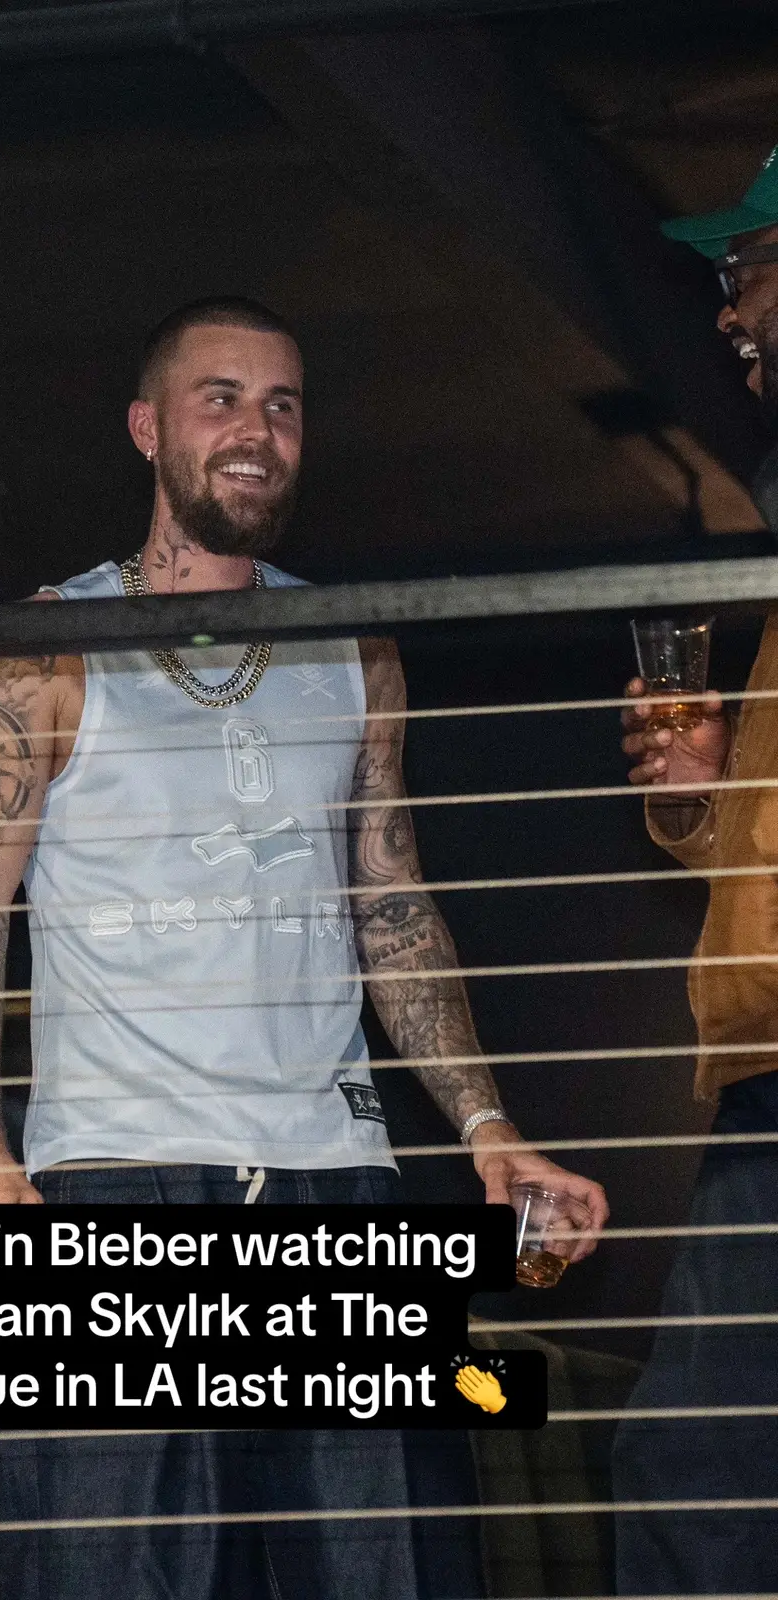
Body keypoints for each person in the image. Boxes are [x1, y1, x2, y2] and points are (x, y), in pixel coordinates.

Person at [0, 296, 609, 1600]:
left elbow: (392, 903)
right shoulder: (44, 648)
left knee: (381, 1574)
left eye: (283, 405)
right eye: (221, 398)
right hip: (114, 1187)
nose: (257, 430)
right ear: (148, 429)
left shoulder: (354, 642)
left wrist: (487, 1130)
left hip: (333, 1183)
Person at [613, 153, 778, 1594]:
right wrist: (702, 798)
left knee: (697, 1477)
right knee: (700, 1474)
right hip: (764, 1067)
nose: (730, 309)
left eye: (750, 269)